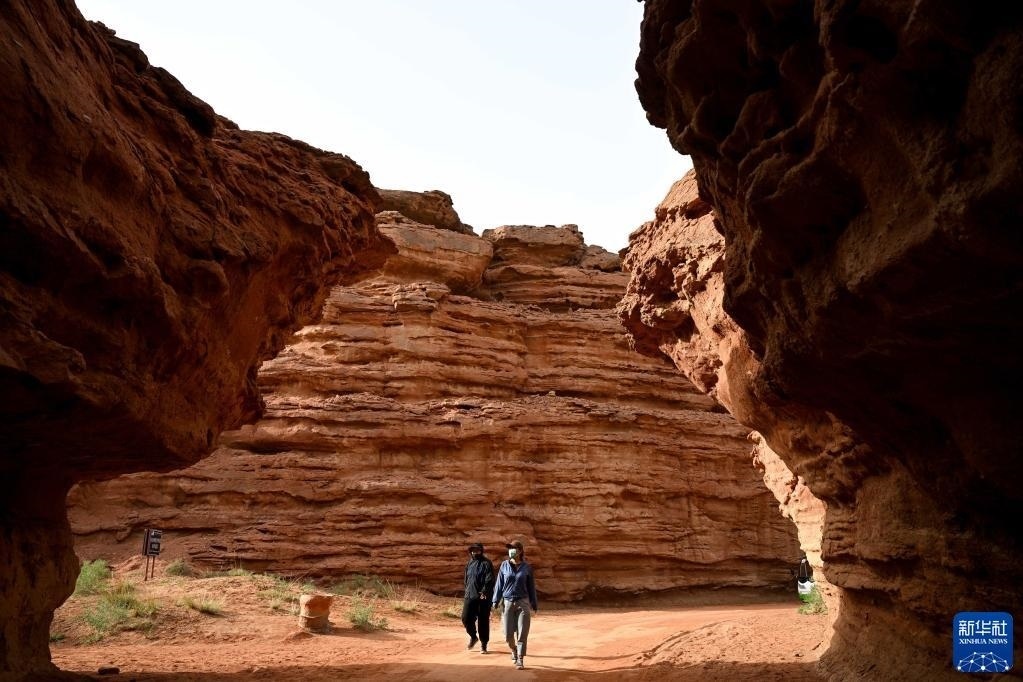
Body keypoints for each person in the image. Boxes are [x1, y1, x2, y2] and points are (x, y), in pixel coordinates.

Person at [492, 539, 538, 670]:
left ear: (520, 551)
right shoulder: (504, 565)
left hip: (523, 603)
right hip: (507, 602)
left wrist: (534, 603)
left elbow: (531, 587)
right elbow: (499, 584)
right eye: (509, 548)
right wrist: (495, 600)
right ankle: (513, 649)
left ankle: (520, 658)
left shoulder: (527, 567)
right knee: (508, 634)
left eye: (513, 548)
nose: (511, 551)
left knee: (522, 633)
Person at [462, 542, 495, 653]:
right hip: (470, 595)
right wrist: (467, 591)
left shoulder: (487, 563)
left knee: (483, 621)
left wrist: (484, 591)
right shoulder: (469, 563)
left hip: (483, 597)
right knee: (466, 618)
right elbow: (466, 579)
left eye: (477, 550)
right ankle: (473, 636)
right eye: (473, 550)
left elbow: (489, 579)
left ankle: (484, 644)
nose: (475, 552)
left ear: (481, 551)